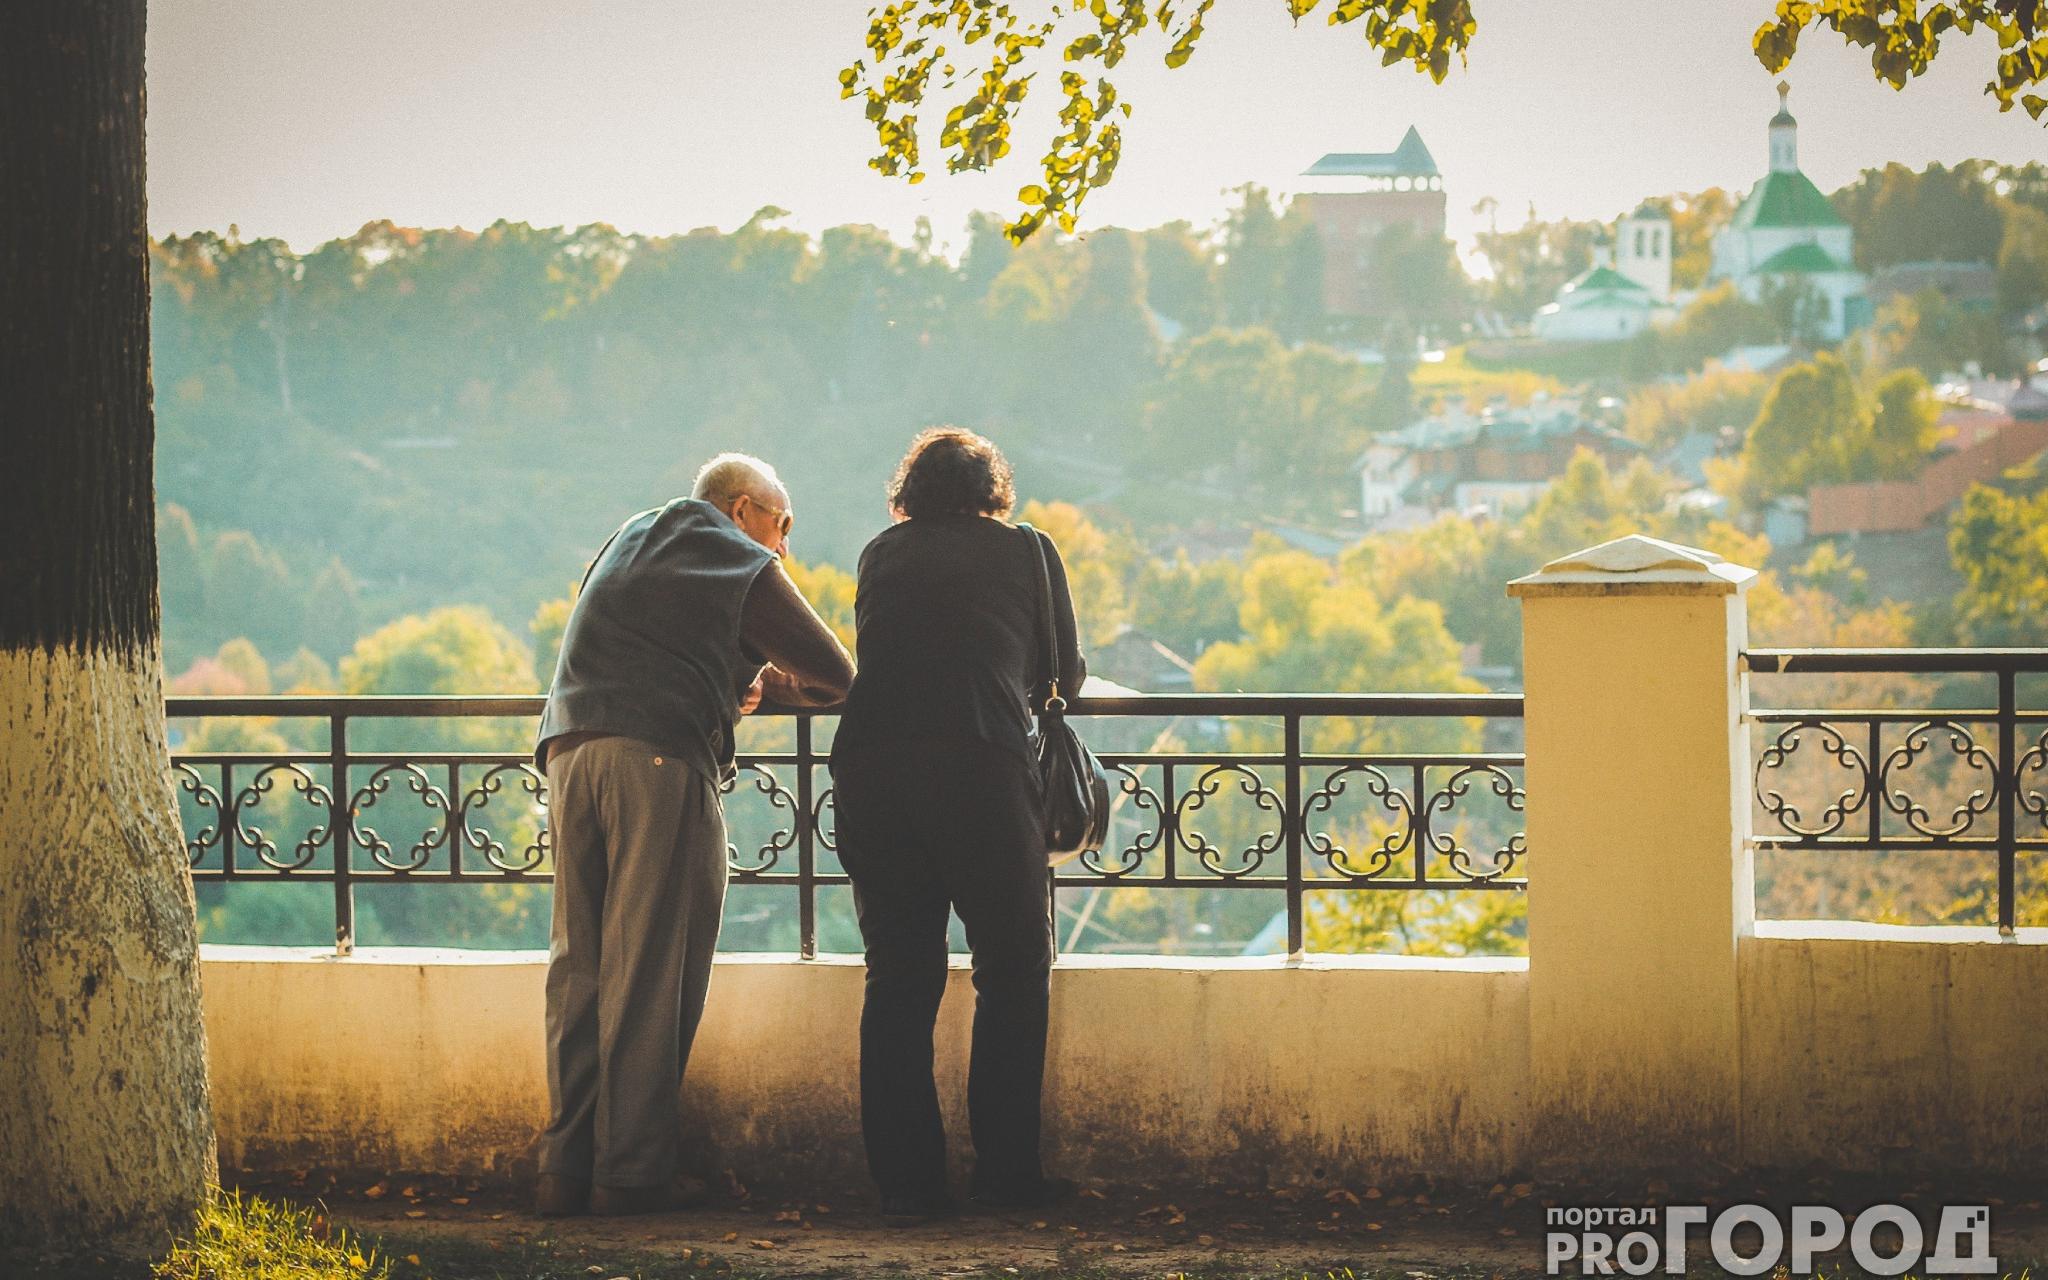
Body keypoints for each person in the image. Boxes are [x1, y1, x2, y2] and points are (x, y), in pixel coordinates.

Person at [532, 454, 854, 1218]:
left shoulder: (630, 536)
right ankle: (630, 1177)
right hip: (656, 758)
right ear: (743, 510)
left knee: (579, 969)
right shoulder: (733, 554)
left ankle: (562, 1172)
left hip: (569, 751)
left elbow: (649, 639)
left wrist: (729, 674)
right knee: (653, 968)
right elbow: (838, 674)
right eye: (783, 525)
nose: (785, 548)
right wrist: (761, 685)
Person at [830, 427, 1086, 1225]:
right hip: (980, 772)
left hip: (872, 775)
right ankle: (1008, 1175)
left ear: (908, 494)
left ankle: (908, 1187)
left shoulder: (880, 553)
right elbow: (1064, 673)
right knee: (1011, 970)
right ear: (993, 489)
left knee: (900, 978)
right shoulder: (1027, 552)